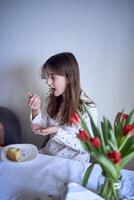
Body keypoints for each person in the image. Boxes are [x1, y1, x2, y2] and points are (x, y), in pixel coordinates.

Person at [28, 52, 98, 166]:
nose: (48, 82)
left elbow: (87, 146)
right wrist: (35, 109)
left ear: (69, 78)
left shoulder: (88, 108)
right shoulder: (53, 99)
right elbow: (40, 127)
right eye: (47, 77)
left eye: (52, 77)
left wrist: (57, 131)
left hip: (72, 164)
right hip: (49, 156)